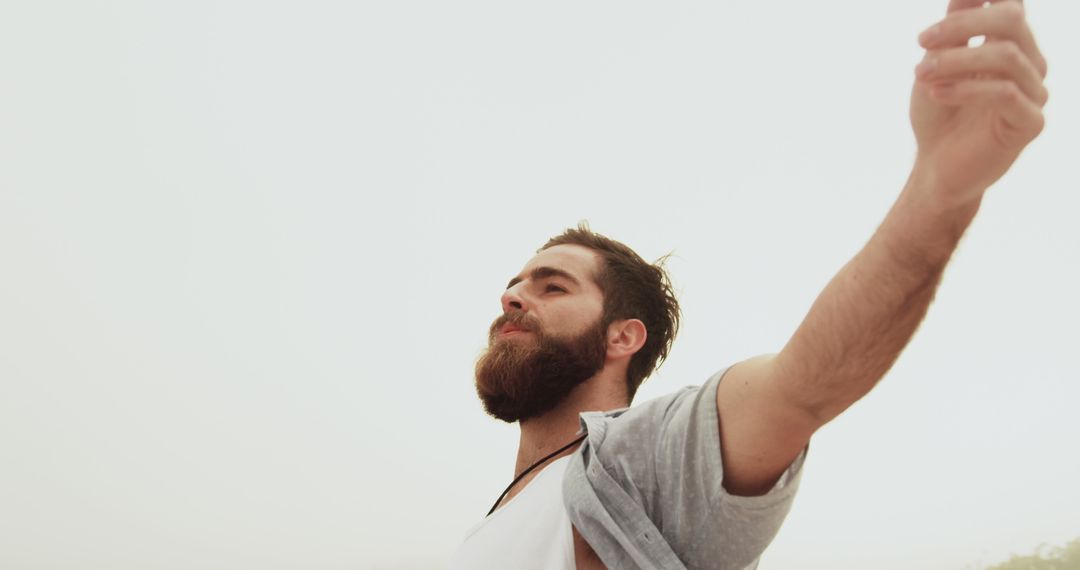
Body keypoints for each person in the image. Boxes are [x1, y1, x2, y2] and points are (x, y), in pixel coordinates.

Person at [447, 1, 1049, 568]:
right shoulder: (483, 531)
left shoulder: (634, 461)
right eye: (515, 284)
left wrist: (942, 187)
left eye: (553, 287)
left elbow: (804, 384)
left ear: (623, 337)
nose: (513, 296)